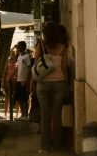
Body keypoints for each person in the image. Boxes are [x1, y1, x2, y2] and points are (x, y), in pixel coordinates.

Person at [34, 22, 70, 154]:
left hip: (42, 84)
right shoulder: (63, 48)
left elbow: (36, 65)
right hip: (59, 83)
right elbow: (64, 69)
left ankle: (45, 147)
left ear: (46, 33)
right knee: (57, 116)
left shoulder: (41, 46)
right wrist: (66, 87)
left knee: (45, 116)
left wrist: (33, 82)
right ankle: (58, 145)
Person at [15, 41, 31, 120]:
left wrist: (25, 79)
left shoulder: (27, 56)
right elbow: (19, 67)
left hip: (24, 80)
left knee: (24, 98)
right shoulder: (19, 56)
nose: (17, 48)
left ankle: (26, 115)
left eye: (18, 46)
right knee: (19, 98)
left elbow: (29, 68)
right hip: (18, 79)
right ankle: (22, 114)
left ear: (22, 47)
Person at [1, 47, 19, 119]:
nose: (12, 53)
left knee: (17, 97)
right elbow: (5, 71)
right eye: (11, 52)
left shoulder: (19, 60)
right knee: (7, 97)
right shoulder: (8, 60)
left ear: (16, 53)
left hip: (16, 80)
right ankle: (6, 114)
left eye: (13, 52)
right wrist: (3, 81)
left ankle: (17, 114)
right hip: (8, 80)